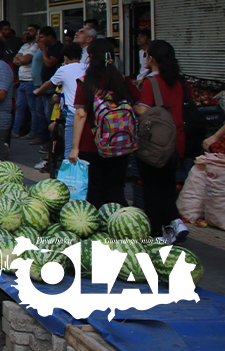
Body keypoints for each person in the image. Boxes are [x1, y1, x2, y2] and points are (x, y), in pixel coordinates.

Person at [133, 40, 189, 243]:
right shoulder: (179, 80)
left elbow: (144, 110)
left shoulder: (151, 82)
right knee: (166, 185)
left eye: (146, 55)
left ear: (153, 58)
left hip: (155, 144)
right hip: (177, 140)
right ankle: (175, 223)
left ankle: (158, 234)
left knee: (152, 189)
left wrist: (130, 102)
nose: (144, 58)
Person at [68, 38, 133, 207]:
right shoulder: (122, 81)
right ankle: (118, 222)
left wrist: (75, 148)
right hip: (120, 141)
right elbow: (137, 105)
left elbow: (81, 114)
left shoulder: (86, 82)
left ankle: (97, 226)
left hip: (92, 143)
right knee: (116, 188)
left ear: (90, 58)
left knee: (94, 188)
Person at [33, 43, 84, 171]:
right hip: (87, 111)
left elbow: (49, 84)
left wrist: (38, 92)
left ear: (65, 57)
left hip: (72, 111)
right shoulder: (86, 67)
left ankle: (69, 176)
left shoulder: (63, 70)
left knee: (69, 147)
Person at [12, 26, 40, 141]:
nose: (27, 32)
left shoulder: (36, 46)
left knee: (33, 109)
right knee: (19, 108)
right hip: (22, 81)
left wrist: (21, 59)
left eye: (31, 30)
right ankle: (15, 131)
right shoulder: (24, 46)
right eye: (27, 30)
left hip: (30, 81)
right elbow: (15, 59)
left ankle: (33, 132)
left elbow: (24, 60)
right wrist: (21, 59)